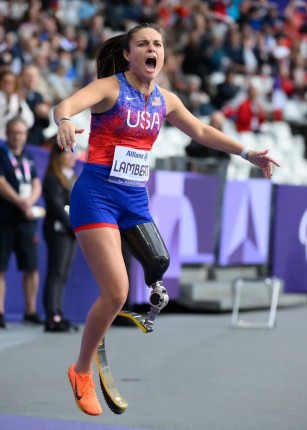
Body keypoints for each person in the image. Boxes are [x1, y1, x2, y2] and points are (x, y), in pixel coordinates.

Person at [53, 23, 280, 416]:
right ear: (128, 54)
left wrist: (248, 152)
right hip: (96, 196)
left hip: (134, 200)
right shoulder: (110, 88)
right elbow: (66, 105)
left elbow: (203, 130)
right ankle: (81, 370)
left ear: (163, 54)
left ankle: (142, 303)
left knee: (159, 263)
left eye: (157, 43)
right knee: (116, 292)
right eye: (142, 43)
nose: (151, 48)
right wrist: (65, 121)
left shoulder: (165, 100)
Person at [0, 117, 43, 329]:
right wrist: (19, 201)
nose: (17, 136)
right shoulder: (1, 154)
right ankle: (0, 312)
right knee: (1, 268)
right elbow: (1, 182)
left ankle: (31, 310)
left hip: (26, 222)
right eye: (14, 133)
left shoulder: (28, 156)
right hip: (4, 219)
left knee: (32, 267)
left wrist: (30, 202)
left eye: (21, 133)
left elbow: (36, 183)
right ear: (7, 134)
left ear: (26, 135)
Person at [42, 142, 78, 332]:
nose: (73, 157)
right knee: (55, 273)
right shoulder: (52, 178)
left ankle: (58, 312)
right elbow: (56, 207)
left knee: (62, 274)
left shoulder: (72, 177)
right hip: (58, 231)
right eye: (69, 153)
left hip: (71, 231)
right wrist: (73, 224)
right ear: (59, 156)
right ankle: (52, 316)